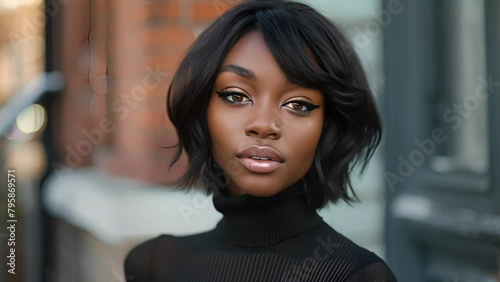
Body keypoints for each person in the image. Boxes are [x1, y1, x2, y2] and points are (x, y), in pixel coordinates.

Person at [124, 0, 398, 281]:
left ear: (328, 127)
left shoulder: (358, 276)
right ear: (201, 109)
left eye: (299, 104)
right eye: (236, 96)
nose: (265, 125)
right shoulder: (153, 265)